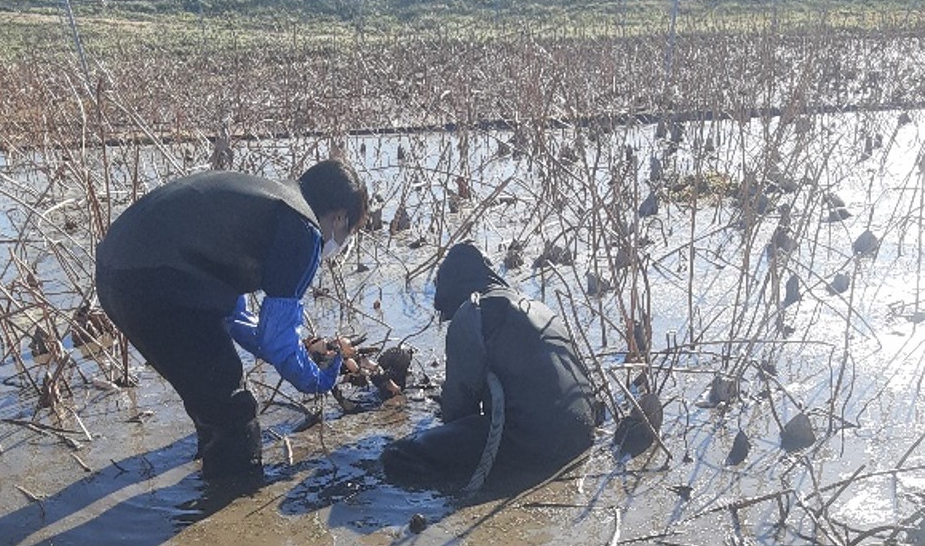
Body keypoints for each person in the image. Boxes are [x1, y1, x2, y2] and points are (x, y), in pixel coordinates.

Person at [95, 160, 369, 478]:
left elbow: (234, 317)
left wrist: (298, 352)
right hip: (157, 287)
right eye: (351, 230)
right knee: (232, 411)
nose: (344, 240)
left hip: (116, 277)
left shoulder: (264, 199)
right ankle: (233, 498)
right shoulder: (304, 229)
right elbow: (276, 339)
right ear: (339, 216)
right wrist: (313, 379)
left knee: (208, 389)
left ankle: (213, 474)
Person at [381, 242, 597, 492]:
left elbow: (457, 410)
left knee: (396, 456)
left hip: (534, 444)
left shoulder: (474, 311)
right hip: (581, 437)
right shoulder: (537, 307)